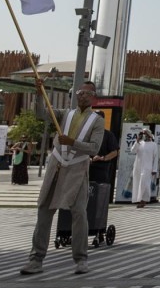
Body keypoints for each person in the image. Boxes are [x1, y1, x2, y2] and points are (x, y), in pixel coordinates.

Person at [21, 84, 105, 276]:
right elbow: (42, 114)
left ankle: (81, 259)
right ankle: (36, 259)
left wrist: (73, 142)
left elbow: (94, 148)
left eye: (86, 93)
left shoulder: (96, 121)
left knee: (79, 213)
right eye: (79, 93)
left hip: (77, 168)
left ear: (93, 97)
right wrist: (39, 95)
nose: (82, 96)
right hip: (57, 166)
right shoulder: (65, 114)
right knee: (44, 209)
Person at [86, 119, 121, 245]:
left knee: (99, 201)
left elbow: (115, 151)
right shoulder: (87, 134)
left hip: (101, 172)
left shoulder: (108, 135)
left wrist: (103, 158)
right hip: (85, 171)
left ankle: (98, 230)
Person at [132, 125, 160, 206]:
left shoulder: (153, 145)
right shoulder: (139, 143)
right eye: (142, 134)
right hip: (138, 166)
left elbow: (155, 158)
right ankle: (138, 199)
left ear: (149, 135)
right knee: (138, 183)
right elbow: (133, 151)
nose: (144, 135)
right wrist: (137, 141)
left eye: (145, 134)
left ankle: (143, 200)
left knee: (144, 183)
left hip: (148, 167)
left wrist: (154, 169)